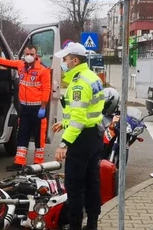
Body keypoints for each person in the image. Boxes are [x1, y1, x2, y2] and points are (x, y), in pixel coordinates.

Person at [51, 42, 105, 230]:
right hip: (94, 136)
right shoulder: (92, 76)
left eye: (65, 59)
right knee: (92, 182)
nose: (63, 63)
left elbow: (80, 118)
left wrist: (64, 143)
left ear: (74, 60)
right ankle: (92, 224)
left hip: (81, 140)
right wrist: (64, 123)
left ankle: (75, 226)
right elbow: (89, 111)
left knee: (75, 186)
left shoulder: (79, 83)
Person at [0, 44, 51, 171]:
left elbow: (46, 89)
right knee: (22, 135)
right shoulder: (20, 65)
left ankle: (38, 164)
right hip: (24, 109)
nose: (29, 56)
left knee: (39, 138)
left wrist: (43, 107)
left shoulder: (43, 70)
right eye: (27, 54)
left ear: (36, 56)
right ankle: (19, 162)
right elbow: (5, 62)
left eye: (32, 54)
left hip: (38, 110)